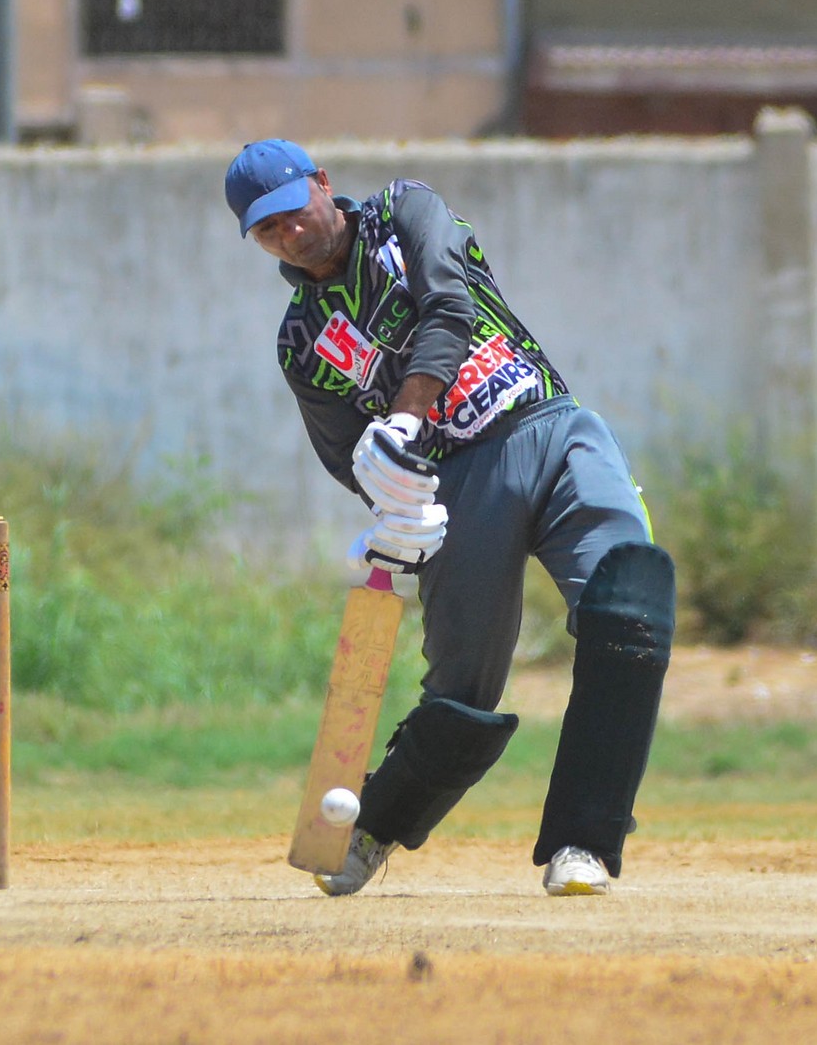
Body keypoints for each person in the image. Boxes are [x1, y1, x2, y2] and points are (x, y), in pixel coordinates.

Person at [225, 140, 676, 897]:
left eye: (293, 211)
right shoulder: (301, 343)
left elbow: (448, 307)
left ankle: (583, 843)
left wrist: (404, 416)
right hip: (460, 487)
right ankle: (372, 825)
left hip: (551, 427)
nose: (289, 234)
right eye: (267, 229)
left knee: (629, 607)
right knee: (463, 694)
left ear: (323, 184)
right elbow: (348, 455)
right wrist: (393, 508)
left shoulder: (405, 212)